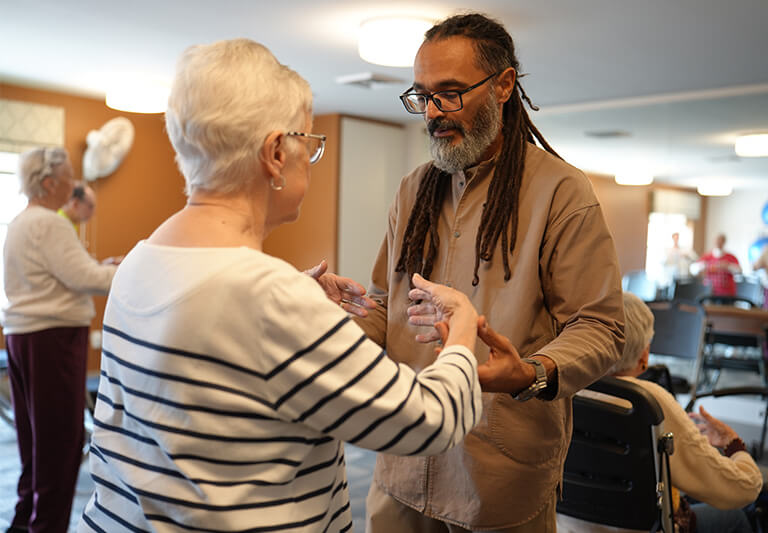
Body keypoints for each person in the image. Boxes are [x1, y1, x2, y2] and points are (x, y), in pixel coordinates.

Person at [78, 38, 488, 533]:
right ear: (275, 152)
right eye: (310, 144)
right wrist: (462, 326)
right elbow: (432, 421)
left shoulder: (140, 262)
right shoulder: (267, 298)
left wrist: (292, 302)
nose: (310, 158)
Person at [356, 13, 625, 532]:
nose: (434, 112)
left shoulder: (560, 193)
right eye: (423, 96)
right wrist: (328, 319)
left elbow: (601, 326)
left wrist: (532, 371)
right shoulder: (413, 190)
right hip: (402, 463)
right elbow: (384, 306)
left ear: (503, 85)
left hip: (498, 481)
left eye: (451, 93)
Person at [557, 292, 763, 532]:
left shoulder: (563, 390)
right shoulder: (650, 403)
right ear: (644, 355)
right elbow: (743, 489)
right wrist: (733, 445)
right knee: (736, 517)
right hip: (645, 527)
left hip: (567, 526)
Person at [1, 147, 118, 533]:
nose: (74, 185)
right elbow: (86, 279)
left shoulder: (21, 223)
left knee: (34, 442)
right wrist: (129, 268)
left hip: (22, 336)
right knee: (61, 447)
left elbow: (59, 274)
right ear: (50, 182)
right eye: (68, 177)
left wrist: (93, 269)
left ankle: (23, 523)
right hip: (53, 338)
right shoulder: (51, 224)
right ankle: (46, 526)